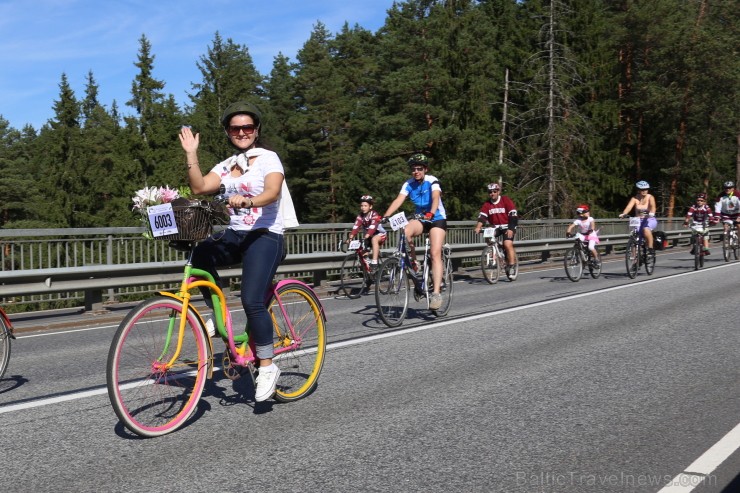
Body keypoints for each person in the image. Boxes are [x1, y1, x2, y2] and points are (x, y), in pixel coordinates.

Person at [178, 101, 290, 403]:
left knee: (252, 300)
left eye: (247, 127)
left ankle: (267, 366)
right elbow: (200, 187)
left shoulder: (268, 158)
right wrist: (191, 154)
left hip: (265, 235)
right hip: (236, 234)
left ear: (256, 130)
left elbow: (272, 191)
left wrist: (249, 202)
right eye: (235, 128)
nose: (241, 132)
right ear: (228, 132)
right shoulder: (227, 165)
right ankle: (218, 316)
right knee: (201, 255)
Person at [382, 153, 447, 310]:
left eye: (419, 169)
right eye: (413, 169)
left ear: (425, 169)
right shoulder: (409, 184)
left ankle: (436, 294)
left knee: (435, 253)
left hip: (436, 218)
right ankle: (414, 262)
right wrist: (385, 216)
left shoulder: (432, 180)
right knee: (405, 230)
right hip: (421, 218)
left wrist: (431, 212)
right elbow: (398, 200)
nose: (416, 171)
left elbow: (436, 197)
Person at [473, 182, 518, 272]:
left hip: (508, 226)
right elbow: (482, 217)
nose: (492, 194)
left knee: (507, 244)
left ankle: (512, 266)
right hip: (495, 227)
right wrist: (478, 227)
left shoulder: (505, 200)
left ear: (498, 192)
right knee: (488, 236)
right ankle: (494, 251)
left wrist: (511, 228)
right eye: (490, 192)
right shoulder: (487, 204)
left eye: (494, 191)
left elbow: (513, 215)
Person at [346, 195, 387, 272]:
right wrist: (350, 238)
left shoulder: (374, 214)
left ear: (370, 206)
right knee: (362, 253)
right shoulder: (360, 216)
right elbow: (355, 227)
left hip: (379, 234)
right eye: (361, 206)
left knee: (374, 239)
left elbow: (372, 227)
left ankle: (374, 262)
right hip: (368, 236)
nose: (363, 208)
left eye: (365, 206)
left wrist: (366, 236)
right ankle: (368, 272)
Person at [619, 180, 657, 253]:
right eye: (642, 189)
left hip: (649, 218)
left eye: (646, 189)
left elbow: (653, 206)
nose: (644, 191)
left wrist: (652, 213)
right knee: (634, 237)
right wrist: (624, 213)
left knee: (646, 229)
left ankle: (650, 247)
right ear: (639, 190)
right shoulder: (634, 198)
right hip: (637, 219)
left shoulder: (650, 197)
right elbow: (629, 207)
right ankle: (635, 259)